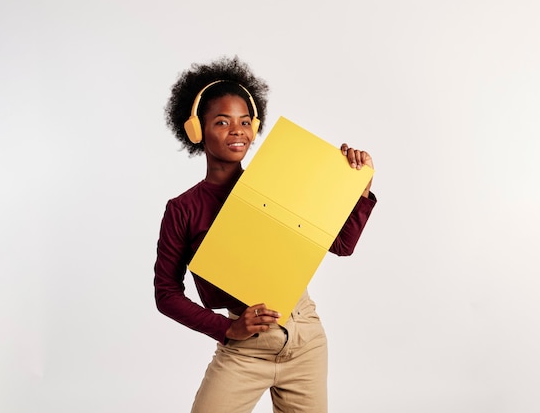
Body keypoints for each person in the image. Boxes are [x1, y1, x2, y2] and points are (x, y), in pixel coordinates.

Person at [154, 56, 377, 413]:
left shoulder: (279, 180)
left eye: (245, 121)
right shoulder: (183, 208)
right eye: (222, 122)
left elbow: (341, 245)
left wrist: (357, 187)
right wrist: (226, 330)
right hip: (245, 348)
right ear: (196, 130)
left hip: (306, 341)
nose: (237, 131)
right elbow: (165, 294)